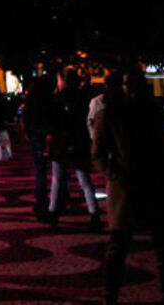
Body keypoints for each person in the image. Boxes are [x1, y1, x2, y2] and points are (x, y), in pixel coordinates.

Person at [92, 65, 164, 305]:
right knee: (118, 248)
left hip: (155, 186)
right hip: (126, 189)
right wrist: (117, 176)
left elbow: (163, 148)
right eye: (126, 84)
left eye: (135, 84)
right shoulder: (108, 115)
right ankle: (110, 295)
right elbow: (98, 154)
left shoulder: (151, 113)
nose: (131, 90)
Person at [42, 68, 101, 230]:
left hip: (61, 143)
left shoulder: (57, 99)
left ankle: (53, 212)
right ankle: (94, 213)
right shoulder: (83, 97)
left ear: (62, 81)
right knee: (85, 179)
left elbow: (52, 122)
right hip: (79, 141)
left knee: (57, 179)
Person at [22, 71, 54, 217]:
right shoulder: (49, 98)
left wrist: (28, 133)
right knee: (58, 168)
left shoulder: (31, 99)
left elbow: (26, 118)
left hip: (37, 134)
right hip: (49, 133)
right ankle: (59, 197)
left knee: (40, 168)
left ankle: (41, 199)